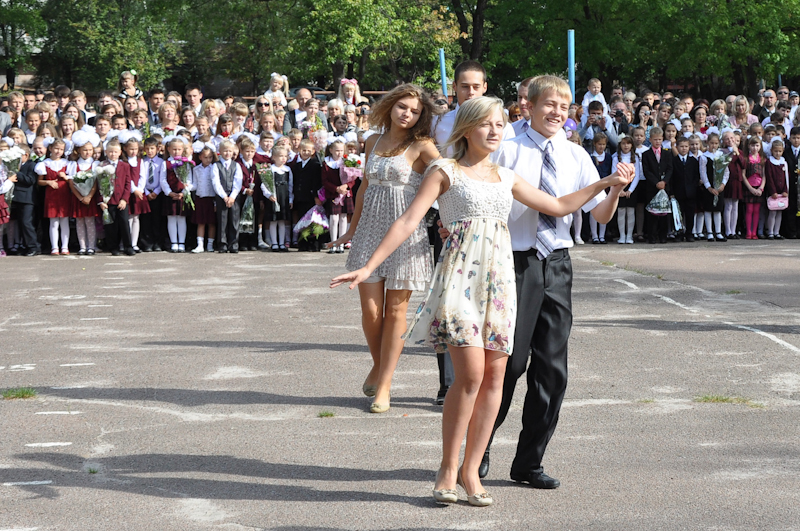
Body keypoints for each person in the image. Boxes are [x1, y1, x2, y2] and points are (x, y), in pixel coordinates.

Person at [331, 96, 632, 505]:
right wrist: (368, 266)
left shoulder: (506, 177)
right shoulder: (445, 170)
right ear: (467, 129)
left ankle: (471, 471)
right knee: (470, 376)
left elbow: (559, 205)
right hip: (459, 282)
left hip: (500, 285)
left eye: (500, 124)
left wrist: (605, 184)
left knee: (494, 378)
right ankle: (447, 467)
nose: (494, 131)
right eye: (486, 124)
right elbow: (408, 220)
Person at [478, 76, 633, 489]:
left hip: (557, 264)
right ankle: (479, 449)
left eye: (564, 107)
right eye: (549, 104)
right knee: (508, 364)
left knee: (551, 370)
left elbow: (600, 215)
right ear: (528, 106)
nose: (557, 113)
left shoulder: (575, 154)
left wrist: (615, 190)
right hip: (514, 263)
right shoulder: (506, 148)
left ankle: (529, 462)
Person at [328, 84, 438, 413]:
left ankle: (385, 383)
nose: (407, 114)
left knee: (395, 312)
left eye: (415, 111)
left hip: (406, 233)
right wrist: (351, 229)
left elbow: (448, 180)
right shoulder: (372, 140)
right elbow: (363, 186)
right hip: (369, 232)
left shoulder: (423, 146)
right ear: (390, 106)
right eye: (402, 107)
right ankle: (378, 366)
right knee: (371, 311)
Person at [66, 131, 99, 255]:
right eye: (85, 150)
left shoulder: (95, 164)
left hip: (90, 198)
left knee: (90, 222)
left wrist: (89, 196)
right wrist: (80, 197)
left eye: (90, 150)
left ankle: (91, 246)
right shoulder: (74, 165)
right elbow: (71, 183)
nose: (87, 152)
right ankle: (82, 246)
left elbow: (96, 182)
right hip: (78, 198)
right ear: (79, 150)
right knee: (79, 222)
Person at [36, 138, 71, 255]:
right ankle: (54, 247)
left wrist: (65, 177)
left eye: (61, 149)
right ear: (50, 148)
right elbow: (39, 181)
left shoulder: (67, 163)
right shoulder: (45, 164)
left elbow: (72, 180)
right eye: (56, 148)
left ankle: (65, 246)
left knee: (64, 221)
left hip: (64, 194)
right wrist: (48, 182)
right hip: (51, 195)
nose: (58, 151)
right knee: (54, 222)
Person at [160, 137, 194, 252]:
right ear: (169, 149)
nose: (176, 152)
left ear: (182, 150)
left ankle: (182, 242)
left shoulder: (186, 163)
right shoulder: (166, 163)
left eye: (179, 149)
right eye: (174, 149)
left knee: (181, 218)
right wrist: (169, 192)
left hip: (182, 195)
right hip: (171, 195)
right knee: (171, 218)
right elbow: (163, 180)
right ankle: (174, 242)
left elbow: (189, 180)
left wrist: (184, 192)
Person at [641, 127, 674, 243]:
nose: (657, 142)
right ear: (650, 139)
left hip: (664, 187)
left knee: (664, 212)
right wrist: (656, 182)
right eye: (655, 139)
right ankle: (652, 236)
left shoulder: (667, 153)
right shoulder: (646, 154)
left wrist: (664, 182)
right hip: (652, 187)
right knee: (652, 213)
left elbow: (670, 169)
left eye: (659, 139)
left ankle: (663, 236)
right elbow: (646, 171)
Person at [321, 140, 352, 254]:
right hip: (333, 193)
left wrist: (346, 186)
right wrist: (336, 188)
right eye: (337, 150)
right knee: (334, 218)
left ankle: (341, 244)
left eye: (341, 150)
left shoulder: (347, 162)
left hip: (345, 192)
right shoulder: (326, 163)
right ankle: (333, 243)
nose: (339, 153)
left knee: (343, 218)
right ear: (331, 150)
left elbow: (352, 178)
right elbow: (324, 181)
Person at [212, 139, 243, 253]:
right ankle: (222, 244)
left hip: (234, 196)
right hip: (222, 197)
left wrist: (232, 196)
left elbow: (238, 182)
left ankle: (234, 244)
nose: (227, 153)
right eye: (225, 151)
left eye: (230, 151)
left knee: (234, 220)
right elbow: (216, 182)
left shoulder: (236, 165)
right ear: (220, 151)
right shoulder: (216, 165)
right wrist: (224, 197)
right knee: (222, 220)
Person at [8, 144, 39, 255]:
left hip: (27, 199)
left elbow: (30, 180)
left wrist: (16, 173)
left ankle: (34, 247)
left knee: (26, 223)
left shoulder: (31, 165)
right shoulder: (14, 165)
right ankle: (25, 246)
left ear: (25, 155)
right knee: (20, 223)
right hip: (17, 198)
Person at [261, 145, 293, 252]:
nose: (283, 158)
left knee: (282, 221)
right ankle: (274, 243)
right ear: (274, 157)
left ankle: (282, 243)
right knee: (273, 221)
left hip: (284, 198)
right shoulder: (270, 169)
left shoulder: (287, 169)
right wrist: (269, 195)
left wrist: (290, 199)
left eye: (285, 156)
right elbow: (264, 185)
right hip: (273, 198)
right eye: (280, 156)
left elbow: (290, 185)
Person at [613, 134, 641, 244]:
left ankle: (629, 236)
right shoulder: (616, 157)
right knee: (621, 211)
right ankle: (622, 236)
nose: (626, 146)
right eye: (623, 143)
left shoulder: (635, 158)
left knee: (630, 211)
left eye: (628, 143)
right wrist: (620, 190)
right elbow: (613, 174)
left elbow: (637, 175)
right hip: (619, 186)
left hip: (631, 187)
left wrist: (631, 190)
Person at [671, 137, 700, 241]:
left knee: (690, 214)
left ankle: (689, 233)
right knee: (678, 214)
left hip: (690, 192)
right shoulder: (673, 161)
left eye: (686, 146)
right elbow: (671, 178)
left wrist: (693, 187)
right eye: (681, 146)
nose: (684, 148)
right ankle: (679, 233)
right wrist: (671, 192)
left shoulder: (693, 161)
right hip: (678, 192)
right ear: (677, 147)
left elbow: (696, 176)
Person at [191, 146, 217, 253]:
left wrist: (216, 202)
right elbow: (195, 184)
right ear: (200, 157)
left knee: (211, 223)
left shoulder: (214, 168)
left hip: (211, 199)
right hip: (200, 199)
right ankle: (200, 245)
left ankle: (210, 244)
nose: (208, 160)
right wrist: (187, 187)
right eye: (205, 157)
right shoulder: (196, 169)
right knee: (200, 222)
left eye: (210, 157)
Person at [740, 136, 766, 239]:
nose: (755, 148)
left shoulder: (762, 159)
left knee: (756, 210)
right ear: (748, 146)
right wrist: (750, 188)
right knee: (749, 209)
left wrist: (761, 188)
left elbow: (764, 175)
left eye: (757, 145)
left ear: (760, 146)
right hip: (749, 187)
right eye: (752, 145)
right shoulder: (746, 159)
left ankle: (754, 232)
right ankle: (748, 232)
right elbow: (743, 175)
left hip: (759, 187)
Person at [589, 132, 612, 244]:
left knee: (604, 210)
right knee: (594, 210)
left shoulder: (608, 157)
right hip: (595, 187)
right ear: (594, 144)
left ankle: (602, 236)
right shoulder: (590, 157)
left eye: (603, 144)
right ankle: (594, 235)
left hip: (606, 187)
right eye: (599, 144)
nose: (601, 146)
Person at [765, 139, 789, 239]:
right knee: (772, 212)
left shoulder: (784, 162)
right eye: (776, 151)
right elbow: (769, 178)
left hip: (782, 192)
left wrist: (785, 190)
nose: (778, 153)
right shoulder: (769, 162)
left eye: (780, 151)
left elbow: (786, 177)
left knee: (780, 212)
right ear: (771, 150)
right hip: (773, 192)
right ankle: (770, 231)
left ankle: (777, 232)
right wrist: (773, 191)